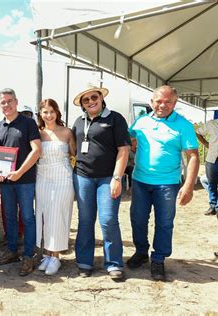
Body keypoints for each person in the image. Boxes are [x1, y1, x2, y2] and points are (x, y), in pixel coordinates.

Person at [127, 85, 199, 281]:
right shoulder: (141, 121)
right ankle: (141, 252)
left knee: (164, 223)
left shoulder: (183, 125)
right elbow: (128, 138)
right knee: (138, 219)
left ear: (175, 103)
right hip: (140, 180)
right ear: (152, 102)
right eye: (159, 101)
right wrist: (132, 143)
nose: (162, 105)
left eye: (168, 101)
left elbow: (193, 156)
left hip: (167, 183)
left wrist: (189, 186)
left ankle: (158, 259)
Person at [71, 85, 130, 280]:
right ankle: (84, 262)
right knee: (85, 220)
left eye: (93, 97)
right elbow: (73, 148)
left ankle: (113, 263)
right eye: (85, 100)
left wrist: (117, 178)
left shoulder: (115, 118)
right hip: (82, 177)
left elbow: (123, 150)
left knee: (107, 220)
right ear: (82, 105)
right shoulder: (78, 122)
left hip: (107, 178)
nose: (90, 102)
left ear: (101, 98)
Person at [0, 88, 42, 277]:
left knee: (28, 218)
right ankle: (12, 251)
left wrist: (20, 172)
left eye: (10, 101)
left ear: (16, 101)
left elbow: (36, 150)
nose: (7, 105)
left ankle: (29, 255)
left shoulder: (28, 123)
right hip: (6, 182)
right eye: (3, 102)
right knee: (10, 217)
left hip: (25, 180)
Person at [35, 99, 76, 275]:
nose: (49, 115)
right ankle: (47, 253)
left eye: (51, 111)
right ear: (40, 114)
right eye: (45, 112)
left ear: (57, 112)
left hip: (62, 178)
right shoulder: (38, 133)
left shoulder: (67, 132)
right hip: (42, 178)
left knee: (58, 216)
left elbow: (75, 155)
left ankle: (56, 256)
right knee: (44, 215)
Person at [195, 100, 218, 215]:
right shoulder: (211, 124)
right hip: (211, 159)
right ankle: (212, 206)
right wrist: (206, 144)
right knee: (211, 182)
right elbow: (198, 132)